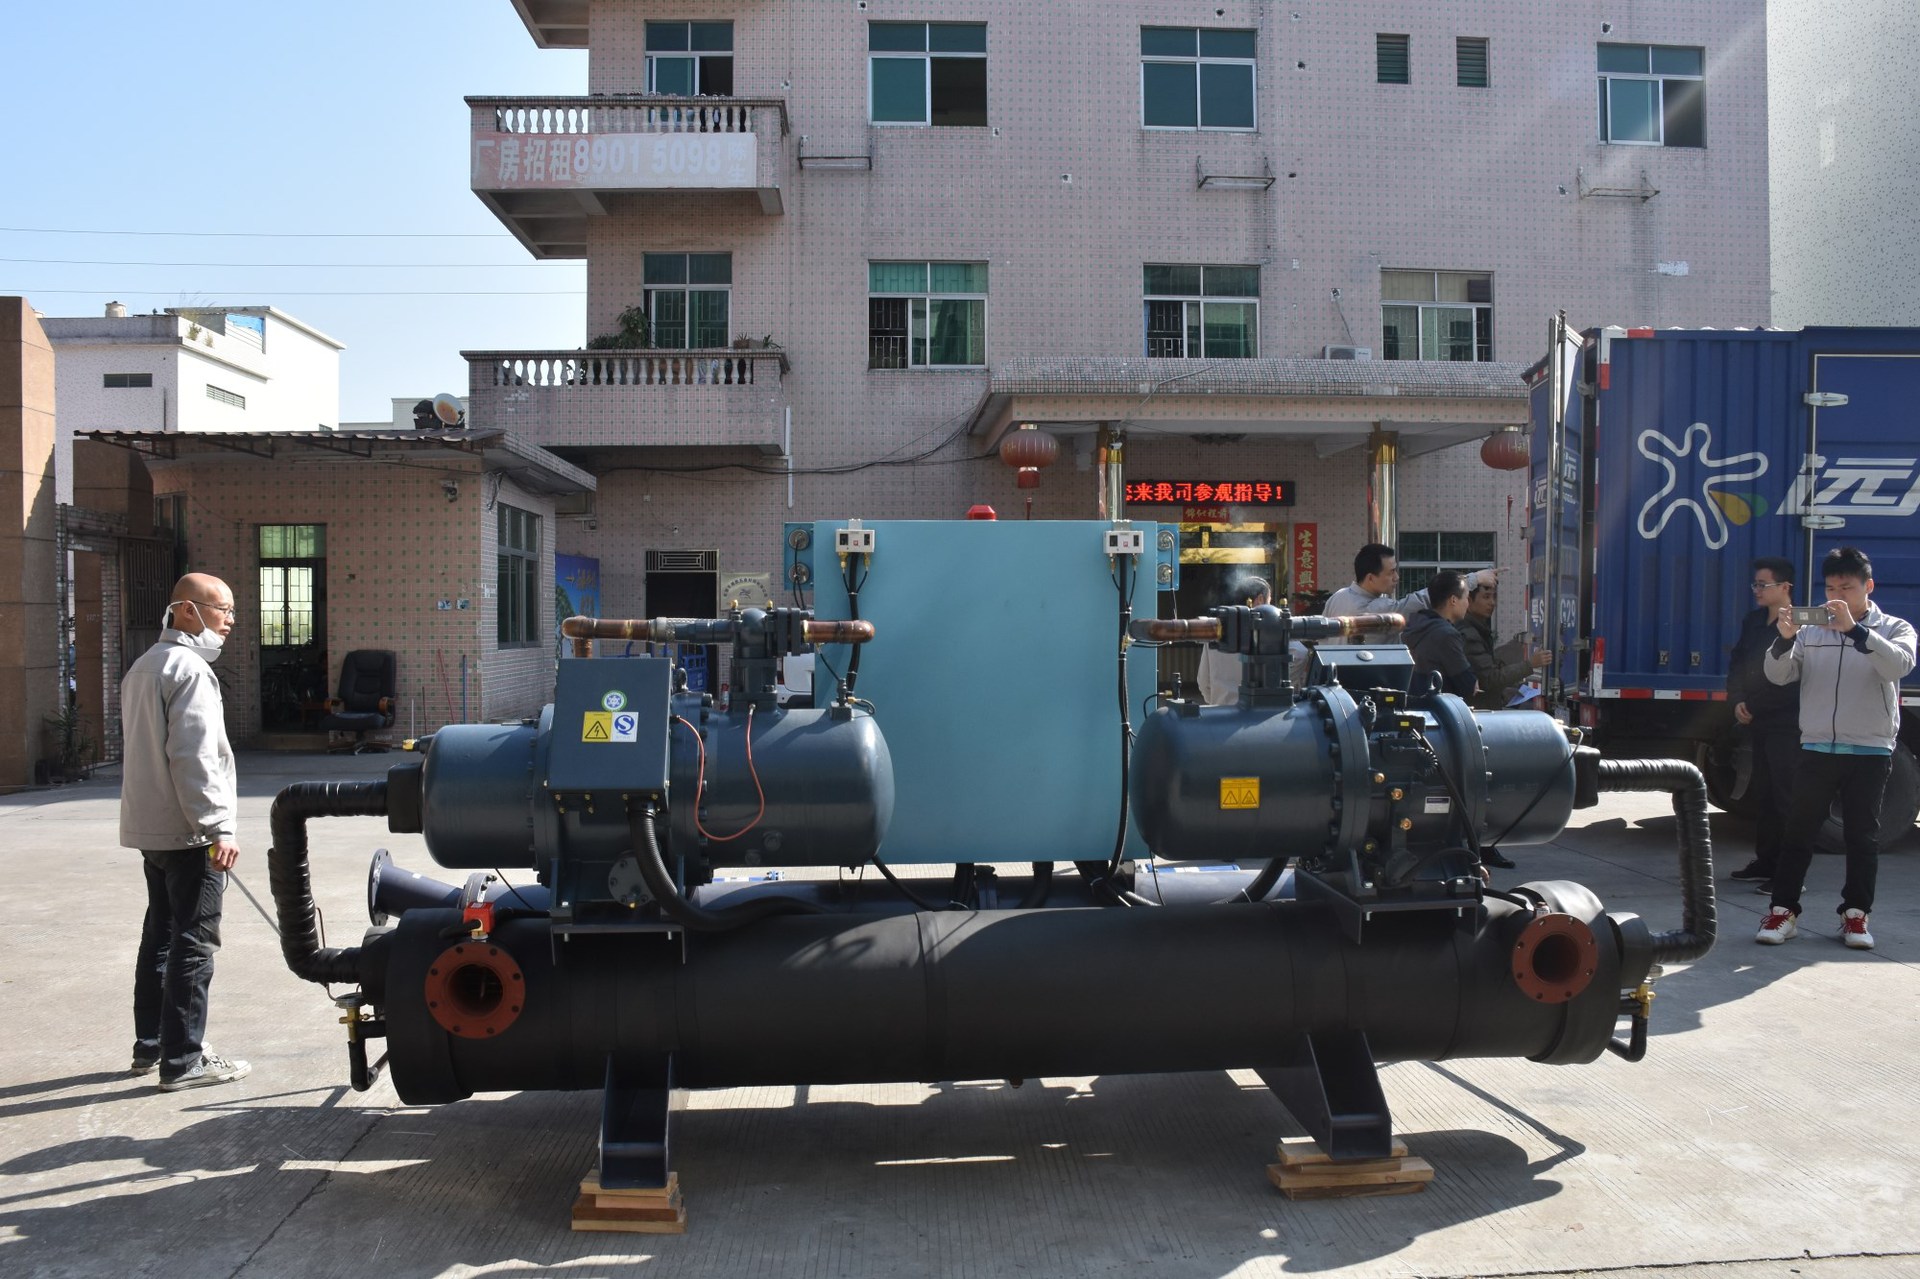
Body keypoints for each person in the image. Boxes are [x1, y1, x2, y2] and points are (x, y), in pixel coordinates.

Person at [120, 573, 252, 1090]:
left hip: (152, 828)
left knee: (160, 935)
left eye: (232, 610)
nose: (230, 620)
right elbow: (194, 757)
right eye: (222, 609)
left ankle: (151, 1044)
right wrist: (218, 826)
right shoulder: (190, 670)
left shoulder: (145, 665)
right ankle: (184, 1060)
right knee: (194, 942)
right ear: (186, 610)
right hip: (189, 832)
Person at [1756, 547, 1916, 950]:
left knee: (1862, 837)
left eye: (1846, 588)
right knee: (1799, 832)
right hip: (1817, 747)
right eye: (1830, 588)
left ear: (1868, 586)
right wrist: (1783, 640)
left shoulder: (1894, 628)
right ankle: (1783, 911)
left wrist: (1856, 632)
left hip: (1870, 749)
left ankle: (1856, 915)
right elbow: (1778, 675)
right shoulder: (1812, 630)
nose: (1836, 596)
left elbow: (1898, 666)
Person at [1725, 558, 1801, 893]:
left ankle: (1788, 874)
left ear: (1785, 587)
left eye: (1763, 585)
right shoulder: (1754, 621)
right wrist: (1737, 700)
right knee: (1764, 794)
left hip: (1787, 724)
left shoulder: (1798, 625)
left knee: (1786, 798)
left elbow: (1792, 682)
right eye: (1755, 584)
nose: (1756, 590)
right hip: (1758, 722)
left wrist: (1753, 706)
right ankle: (1766, 861)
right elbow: (1738, 663)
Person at [1196, 576, 1307, 704]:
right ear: (1260, 599)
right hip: (1259, 710)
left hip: (1222, 710)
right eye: (1269, 601)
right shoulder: (1269, 626)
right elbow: (1300, 653)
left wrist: (1218, 701)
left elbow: (1203, 682)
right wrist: (1280, 682)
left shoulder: (1218, 627)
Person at [1460, 576, 1550, 711]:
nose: (1492, 603)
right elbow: (1490, 679)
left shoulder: (1478, 630)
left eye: (1494, 597)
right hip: (1478, 712)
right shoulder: (1469, 635)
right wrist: (1530, 665)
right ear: (1469, 600)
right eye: (1486, 597)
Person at [1403, 570, 1479, 700]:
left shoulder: (1415, 626)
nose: (1468, 603)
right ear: (1453, 600)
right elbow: (1468, 685)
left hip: (1415, 704)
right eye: (1466, 597)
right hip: (1439, 707)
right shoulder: (1447, 635)